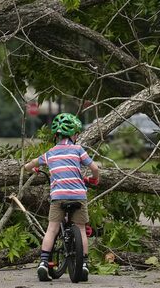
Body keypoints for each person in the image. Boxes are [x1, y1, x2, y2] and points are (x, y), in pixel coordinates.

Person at [24, 112, 100, 282]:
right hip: (78, 196)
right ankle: (84, 265)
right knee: (81, 229)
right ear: (74, 135)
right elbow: (95, 168)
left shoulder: (50, 153)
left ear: (56, 135)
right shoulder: (78, 150)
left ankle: (43, 263)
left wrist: (30, 168)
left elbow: (30, 164)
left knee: (52, 229)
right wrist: (94, 179)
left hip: (58, 196)